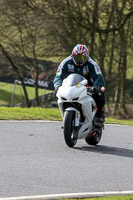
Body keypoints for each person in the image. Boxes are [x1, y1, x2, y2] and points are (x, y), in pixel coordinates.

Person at [53, 44, 105, 122]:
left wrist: (96, 86)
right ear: (72, 55)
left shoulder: (92, 64)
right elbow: (58, 76)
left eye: (82, 58)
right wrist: (57, 85)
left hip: (87, 87)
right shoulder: (66, 62)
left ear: (87, 57)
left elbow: (99, 78)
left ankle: (100, 114)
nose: (79, 60)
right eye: (77, 57)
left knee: (100, 92)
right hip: (70, 87)